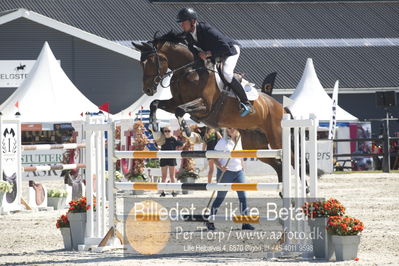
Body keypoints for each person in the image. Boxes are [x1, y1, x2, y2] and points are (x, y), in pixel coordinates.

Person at [176, 7, 254, 117]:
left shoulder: (206, 29)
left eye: (183, 22)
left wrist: (208, 54)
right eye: (181, 23)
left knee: (226, 73)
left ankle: (246, 103)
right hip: (216, 54)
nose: (181, 25)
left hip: (230, 50)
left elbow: (224, 47)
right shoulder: (188, 36)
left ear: (192, 21)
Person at [206, 128, 254, 231]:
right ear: (226, 130)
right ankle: (210, 220)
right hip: (225, 172)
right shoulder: (222, 142)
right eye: (229, 128)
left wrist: (243, 168)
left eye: (233, 128)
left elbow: (240, 156)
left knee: (243, 197)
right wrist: (220, 167)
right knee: (220, 197)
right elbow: (213, 157)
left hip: (239, 172)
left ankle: (245, 222)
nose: (231, 129)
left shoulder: (240, 140)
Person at [153, 126, 184, 197]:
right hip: (164, 158)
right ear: (163, 132)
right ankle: (162, 192)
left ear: (171, 131)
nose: (167, 132)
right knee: (163, 176)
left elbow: (181, 144)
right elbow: (157, 146)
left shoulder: (173, 139)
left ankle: (173, 191)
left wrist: (178, 143)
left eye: (168, 131)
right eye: (165, 131)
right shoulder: (161, 139)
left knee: (172, 176)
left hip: (172, 158)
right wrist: (155, 144)